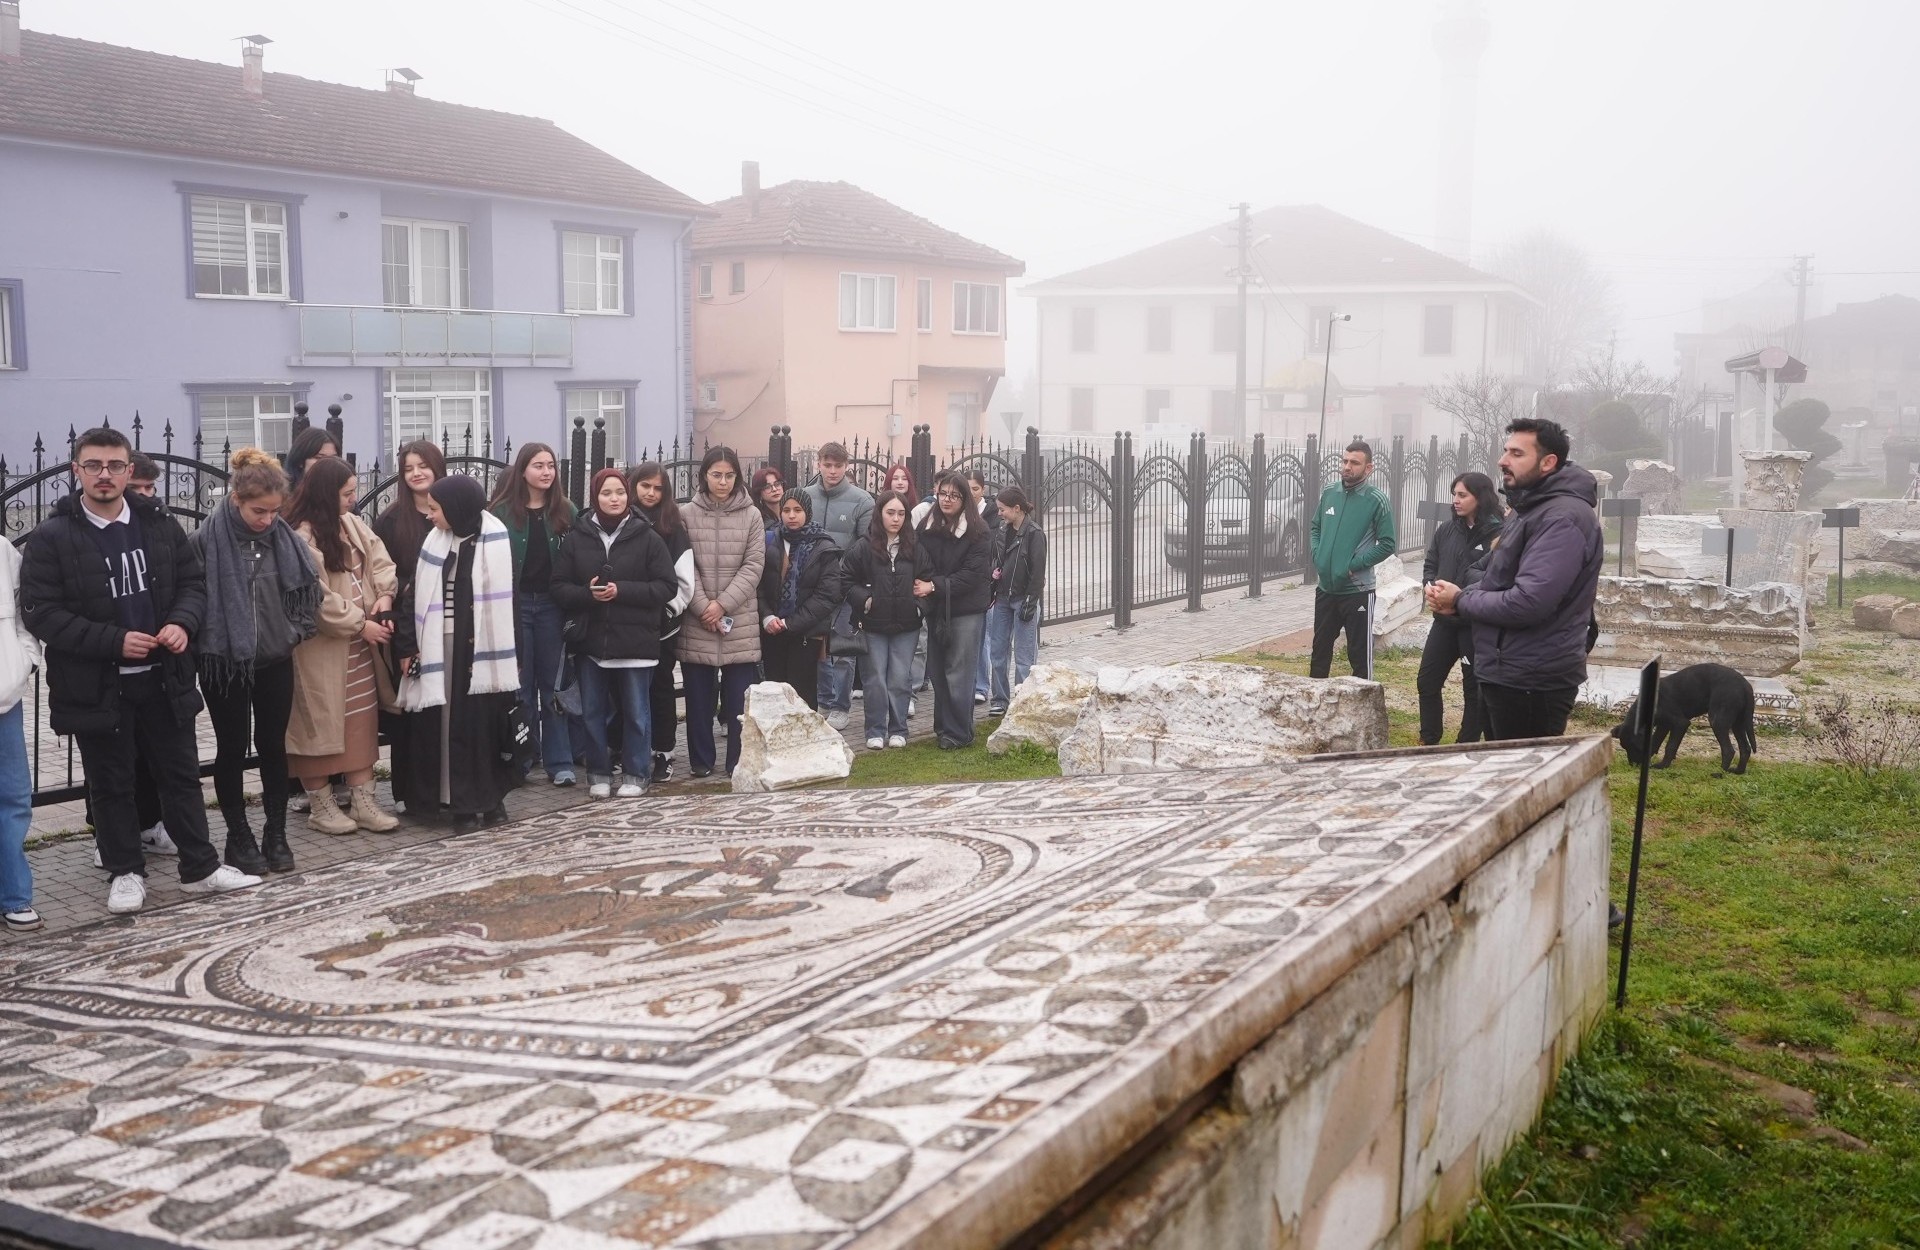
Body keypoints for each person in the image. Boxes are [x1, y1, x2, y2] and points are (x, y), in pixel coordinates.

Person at [20, 426, 260, 915]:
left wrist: (181, 624)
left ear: (130, 471)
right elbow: (41, 612)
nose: (104, 475)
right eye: (93, 465)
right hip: (96, 687)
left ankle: (201, 868)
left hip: (164, 678)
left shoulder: (157, 523)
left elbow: (192, 584)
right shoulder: (52, 537)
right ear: (76, 471)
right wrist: (113, 641)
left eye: (114, 465)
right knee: (111, 783)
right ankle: (125, 871)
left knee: (181, 776)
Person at [1426, 418, 1604, 741]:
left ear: (1548, 462)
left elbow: (1529, 601)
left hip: (1533, 681)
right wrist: (1458, 595)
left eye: (1517, 454)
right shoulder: (1529, 510)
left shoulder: (1562, 519)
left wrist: (1461, 600)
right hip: (1507, 671)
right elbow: (1495, 576)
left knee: (1526, 783)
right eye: (1506, 451)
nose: (1503, 460)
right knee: (1504, 777)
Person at [189, 449, 321, 876]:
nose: (267, 520)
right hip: (222, 662)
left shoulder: (285, 541)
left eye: (273, 511)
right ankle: (238, 834)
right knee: (230, 748)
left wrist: (293, 633)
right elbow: (189, 600)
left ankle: (276, 833)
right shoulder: (203, 542)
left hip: (274, 659)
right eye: (257, 511)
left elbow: (307, 594)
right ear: (235, 500)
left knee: (272, 746)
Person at [393, 475, 523, 829]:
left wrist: (516, 659)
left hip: (482, 652)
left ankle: (490, 799)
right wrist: (407, 645)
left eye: (435, 509)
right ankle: (456, 803)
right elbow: (412, 596)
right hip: (439, 648)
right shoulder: (433, 543)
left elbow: (510, 603)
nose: (430, 515)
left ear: (456, 508)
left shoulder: (495, 541)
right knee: (445, 726)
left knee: (483, 728)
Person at [283, 456, 401, 835]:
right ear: (324, 495)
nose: (354, 499)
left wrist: (384, 595)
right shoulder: (300, 536)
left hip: (360, 649)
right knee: (317, 723)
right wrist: (358, 623)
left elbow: (381, 560)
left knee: (360, 721)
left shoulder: (351, 523)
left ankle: (364, 802)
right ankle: (322, 806)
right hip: (321, 651)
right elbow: (313, 598)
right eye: (347, 493)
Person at [552, 469, 677, 799]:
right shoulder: (578, 537)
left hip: (636, 642)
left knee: (637, 713)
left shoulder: (647, 536)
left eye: (619, 492)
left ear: (627, 495)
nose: (614, 498)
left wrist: (622, 590)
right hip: (592, 643)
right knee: (592, 713)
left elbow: (666, 587)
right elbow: (559, 587)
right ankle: (598, 773)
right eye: (607, 493)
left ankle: (637, 773)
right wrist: (586, 594)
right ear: (596, 497)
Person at [83, 451, 173, 860]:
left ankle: (151, 825)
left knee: (153, 756)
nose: (144, 496)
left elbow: (181, 584)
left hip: (155, 666)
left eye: (149, 489)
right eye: (138, 489)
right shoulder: (81, 533)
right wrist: (112, 640)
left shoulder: (157, 527)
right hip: (104, 672)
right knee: (111, 766)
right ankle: (109, 838)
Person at [490, 443, 577, 787]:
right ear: (522, 470)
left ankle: (560, 762)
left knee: (552, 686)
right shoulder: (500, 513)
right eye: (538, 465)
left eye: (551, 465)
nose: (546, 471)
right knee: (520, 687)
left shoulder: (566, 511)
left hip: (553, 607)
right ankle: (523, 758)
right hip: (516, 606)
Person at [681, 447, 766, 777]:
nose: (722, 481)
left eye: (729, 475)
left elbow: (754, 564)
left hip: (738, 621)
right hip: (697, 620)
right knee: (698, 701)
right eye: (716, 474)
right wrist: (704, 607)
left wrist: (722, 605)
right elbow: (684, 567)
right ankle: (701, 762)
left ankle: (737, 761)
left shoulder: (752, 515)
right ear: (704, 475)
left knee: (738, 703)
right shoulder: (686, 514)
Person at [372, 440, 446, 806]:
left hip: (446, 623)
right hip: (407, 624)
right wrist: (406, 588)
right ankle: (405, 791)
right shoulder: (390, 519)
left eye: (423, 465)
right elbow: (380, 572)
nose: (416, 473)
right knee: (408, 709)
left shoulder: (453, 513)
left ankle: (441, 786)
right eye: (408, 468)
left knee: (441, 709)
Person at [1416, 472, 1503, 746]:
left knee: (1473, 689)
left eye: (1462, 495)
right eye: (1454, 494)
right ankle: (1428, 739)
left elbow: (1495, 580)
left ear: (1481, 497)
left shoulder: (1500, 534)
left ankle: (1465, 744)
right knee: (1427, 681)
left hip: (1474, 625)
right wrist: (1429, 586)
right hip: (1443, 622)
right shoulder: (1446, 530)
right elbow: (1430, 564)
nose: (1456, 500)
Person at [841, 490, 933, 749]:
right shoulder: (864, 546)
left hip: (907, 625)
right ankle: (875, 729)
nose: (896, 519)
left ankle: (899, 729)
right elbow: (845, 579)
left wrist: (919, 608)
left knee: (899, 678)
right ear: (879, 513)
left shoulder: (914, 547)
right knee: (875, 678)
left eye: (901, 514)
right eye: (890, 513)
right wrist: (865, 600)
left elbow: (928, 580)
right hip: (873, 625)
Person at [913, 470, 991, 749]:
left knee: (959, 670)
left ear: (964, 499)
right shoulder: (925, 527)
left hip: (965, 610)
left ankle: (959, 733)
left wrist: (934, 585)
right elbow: (920, 562)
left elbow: (971, 575)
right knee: (937, 671)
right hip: (936, 609)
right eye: (943, 494)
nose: (947, 500)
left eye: (954, 495)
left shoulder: (978, 531)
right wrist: (930, 587)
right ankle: (943, 727)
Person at [1308, 440, 1397, 680]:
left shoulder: (1376, 499)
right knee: (1320, 651)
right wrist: (1318, 555)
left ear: (1368, 468)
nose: (1347, 466)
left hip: (1357, 590)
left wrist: (1353, 565)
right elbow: (1315, 527)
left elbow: (1388, 544)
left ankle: (1365, 708)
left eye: (1354, 463)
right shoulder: (1329, 492)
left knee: (1359, 654)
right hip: (1326, 588)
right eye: (1345, 460)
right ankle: (1316, 708)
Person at [629, 462, 695, 785]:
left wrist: (669, 610)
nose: (651, 493)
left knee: (660, 687)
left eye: (657, 488)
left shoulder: (672, 525)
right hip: (626, 621)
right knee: (626, 689)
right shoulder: (622, 518)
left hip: (660, 623)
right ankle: (628, 750)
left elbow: (684, 578)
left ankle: (664, 752)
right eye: (645, 486)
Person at [801, 443, 873, 731]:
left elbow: (867, 546)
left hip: (846, 587)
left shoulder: (863, 500)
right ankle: (824, 701)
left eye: (838, 466)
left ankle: (842, 707)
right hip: (813, 588)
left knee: (843, 649)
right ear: (818, 464)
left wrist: (845, 577)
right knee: (818, 649)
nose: (832, 471)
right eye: (827, 465)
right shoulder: (804, 496)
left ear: (847, 466)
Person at [757, 492, 844, 710]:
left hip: (806, 634)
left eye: (797, 510)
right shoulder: (769, 540)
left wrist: (791, 623)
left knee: (801, 696)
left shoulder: (823, 546)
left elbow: (828, 595)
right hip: (772, 632)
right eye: (786, 510)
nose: (791, 516)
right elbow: (757, 585)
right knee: (775, 694)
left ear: (807, 512)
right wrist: (767, 617)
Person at [0, 533, 42, 931]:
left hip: (4, 701)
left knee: (14, 798)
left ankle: (14, 895)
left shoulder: (2, 550)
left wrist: (25, 661)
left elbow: (23, 613)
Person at [985, 485, 1047, 717]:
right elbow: (997, 560)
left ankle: (1024, 700)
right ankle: (999, 699)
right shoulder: (1002, 530)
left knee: (1024, 657)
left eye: (1002, 509)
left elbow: (1038, 571)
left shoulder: (1034, 534)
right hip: (1002, 599)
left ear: (1017, 508)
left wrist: (1031, 601)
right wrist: (994, 576)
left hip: (1024, 599)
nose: (999, 513)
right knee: (998, 652)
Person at [966, 471, 1002, 705]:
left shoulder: (993, 515)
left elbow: (997, 547)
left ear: (983, 490)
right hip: (965, 581)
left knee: (984, 636)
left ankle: (982, 685)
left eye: (975, 489)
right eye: (967, 489)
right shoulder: (958, 513)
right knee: (968, 637)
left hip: (986, 583)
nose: (971, 493)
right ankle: (968, 684)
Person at [284, 426, 339, 493]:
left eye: (333, 458)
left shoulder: (342, 493)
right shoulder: (283, 496)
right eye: (319, 458)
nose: (328, 463)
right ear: (300, 461)